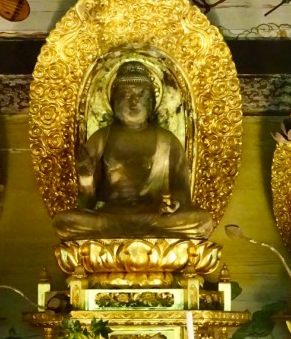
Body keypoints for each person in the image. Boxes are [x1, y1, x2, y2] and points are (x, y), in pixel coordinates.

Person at [53, 60, 214, 240]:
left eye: (141, 94)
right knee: (64, 221)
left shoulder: (168, 141)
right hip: (112, 216)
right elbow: (86, 204)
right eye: (126, 94)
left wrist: (174, 204)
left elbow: (183, 195)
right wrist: (85, 178)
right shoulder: (101, 138)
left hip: (155, 217)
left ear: (151, 101)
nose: (134, 101)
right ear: (114, 101)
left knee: (203, 221)